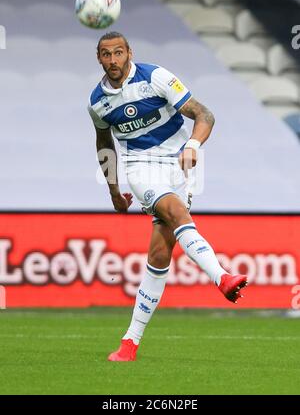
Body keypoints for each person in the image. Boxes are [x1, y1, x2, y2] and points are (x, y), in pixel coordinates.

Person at [88, 31, 248, 362]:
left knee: (160, 256)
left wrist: (192, 146)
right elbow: (105, 144)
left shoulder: (156, 77)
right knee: (177, 214)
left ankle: (129, 344)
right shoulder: (97, 103)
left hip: (179, 166)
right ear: (99, 58)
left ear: (129, 52)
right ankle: (222, 276)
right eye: (107, 54)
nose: (114, 60)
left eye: (119, 52)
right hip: (140, 167)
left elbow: (204, 114)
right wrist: (115, 190)